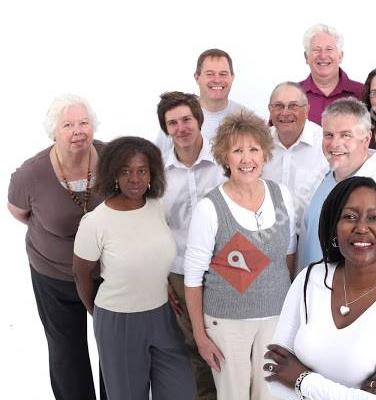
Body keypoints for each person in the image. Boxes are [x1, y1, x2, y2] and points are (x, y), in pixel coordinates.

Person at [264, 176, 376, 399]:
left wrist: (302, 379)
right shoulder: (309, 279)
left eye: (374, 218)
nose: (361, 228)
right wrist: (356, 395)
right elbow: (274, 375)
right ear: (335, 227)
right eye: (349, 217)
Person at [184, 111, 297, 400]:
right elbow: (193, 278)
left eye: (254, 149)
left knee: (271, 395)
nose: (247, 159)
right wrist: (200, 336)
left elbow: (288, 256)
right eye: (237, 151)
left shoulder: (282, 196)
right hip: (226, 323)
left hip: (275, 319)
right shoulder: (210, 208)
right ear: (225, 157)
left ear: (264, 153)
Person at [72, 136, 194, 400]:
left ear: (152, 174)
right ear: (114, 174)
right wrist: (100, 315)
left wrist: (161, 285)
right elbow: (81, 275)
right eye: (126, 171)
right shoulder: (95, 222)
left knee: (181, 390)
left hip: (163, 316)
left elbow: (152, 256)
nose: (135, 179)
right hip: (119, 321)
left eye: (142, 171)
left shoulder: (157, 207)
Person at [7, 94, 106, 399]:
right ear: (54, 131)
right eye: (68, 125)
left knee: (114, 345)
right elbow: (19, 212)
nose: (77, 131)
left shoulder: (112, 157)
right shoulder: (30, 174)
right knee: (66, 352)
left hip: (107, 272)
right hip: (54, 275)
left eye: (83, 123)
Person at [157, 91, 225, 399]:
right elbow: (156, 229)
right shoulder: (158, 173)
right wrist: (163, 279)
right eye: (173, 123)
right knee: (195, 347)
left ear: (199, 120)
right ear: (166, 128)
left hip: (225, 268)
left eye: (186, 119)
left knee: (231, 344)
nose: (181, 128)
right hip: (181, 272)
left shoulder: (224, 159)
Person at [296, 97, 376, 274]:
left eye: (346, 135)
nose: (335, 144)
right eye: (329, 135)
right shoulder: (320, 179)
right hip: (311, 286)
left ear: (366, 139)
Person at [262, 82, 329, 234]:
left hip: (312, 236)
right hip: (267, 236)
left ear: (307, 110)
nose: (285, 112)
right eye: (278, 106)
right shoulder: (258, 143)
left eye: (293, 106)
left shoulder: (325, 143)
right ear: (270, 110)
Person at [156, 48, 245, 156]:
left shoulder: (245, 117)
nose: (217, 80)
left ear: (232, 77)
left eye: (223, 74)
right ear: (197, 77)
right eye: (210, 74)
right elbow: (158, 160)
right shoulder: (176, 116)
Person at [299, 23, 364, 125]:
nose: (323, 56)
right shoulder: (291, 95)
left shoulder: (362, 93)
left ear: (340, 56)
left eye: (329, 49)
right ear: (306, 57)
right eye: (316, 50)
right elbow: (274, 133)